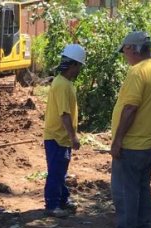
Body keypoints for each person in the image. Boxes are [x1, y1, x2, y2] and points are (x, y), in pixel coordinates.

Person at [101, 31, 151, 228]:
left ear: (132, 49)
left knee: (124, 190)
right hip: (150, 142)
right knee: (142, 188)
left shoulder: (137, 72)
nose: (125, 56)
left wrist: (118, 140)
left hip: (132, 144)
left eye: (125, 51)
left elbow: (130, 108)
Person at [43, 44, 86, 218]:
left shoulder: (65, 83)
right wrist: (73, 136)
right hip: (57, 137)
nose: (79, 70)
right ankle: (52, 205)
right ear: (73, 65)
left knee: (61, 171)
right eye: (79, 66)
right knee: (56, 172)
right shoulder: (62, 85)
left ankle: (62, 200)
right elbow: (64, 114)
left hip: (61, 138)